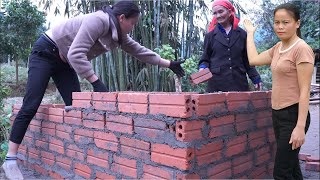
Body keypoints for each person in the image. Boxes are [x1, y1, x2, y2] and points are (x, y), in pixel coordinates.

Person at [1, 1, 185, 179]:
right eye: (132, 23)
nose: (133, 27)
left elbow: (139, 51)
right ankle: (10, 159)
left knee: (75, 105)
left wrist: (168, 64)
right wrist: (96, 82)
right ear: (122, 18)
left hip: (65, 61)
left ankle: (75, 155)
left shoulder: (118, 34)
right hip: (46, 52)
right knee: (31, 104)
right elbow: (75, 53)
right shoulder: (99, 20)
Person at [243, 3, 314, 180]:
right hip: (278, 114)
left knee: (281, 173)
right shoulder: (278, 47)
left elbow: (305, 90)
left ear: (297, 23)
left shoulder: (302, 49)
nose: (280, 27)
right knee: (291, 167)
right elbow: (253, 59)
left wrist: (299, 126)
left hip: (294, 115)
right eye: (277, 22)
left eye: (285, 22)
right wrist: (250, 33)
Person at [198, 0, 262, 92]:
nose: (218, 16)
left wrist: (255, 77)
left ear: (229, 12)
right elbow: (205, 59)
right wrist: (203, 68)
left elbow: (247, 60)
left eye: (221, 11)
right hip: (216, 85)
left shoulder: (242, 34)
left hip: (239, 83)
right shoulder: (210, 36)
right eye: (215, 13)